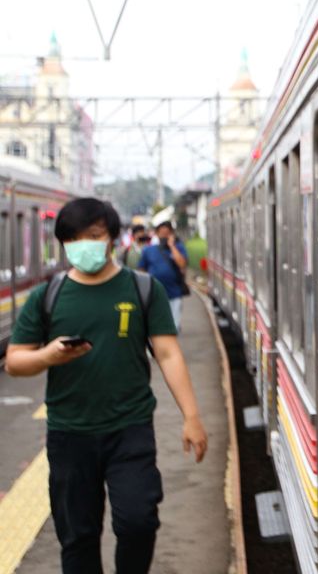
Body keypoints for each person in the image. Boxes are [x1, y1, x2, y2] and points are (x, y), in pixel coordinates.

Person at [5, 197, 208, 574]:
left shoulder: (144, 290)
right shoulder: (47, 297)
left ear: (114, 238)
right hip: (69, 433)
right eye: (75, 238)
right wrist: (47, 357)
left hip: (130, 429)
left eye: (95, 235)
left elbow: (168, 354)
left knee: (138, 522)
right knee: (78, 536)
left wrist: (192, 416)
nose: (85, 245)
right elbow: (15, 360)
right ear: (64, 243)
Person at [138, 220, 189, 332]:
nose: (164, 236)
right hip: (154, 294)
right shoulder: (148, 250)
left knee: (174, 326)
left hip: (174, 293)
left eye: (167, 233)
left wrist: (172, 246)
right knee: (156, 325)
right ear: (156, 234)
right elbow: (141, 269)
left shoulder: (179, 248)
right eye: (162, 233)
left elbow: (182, 264)